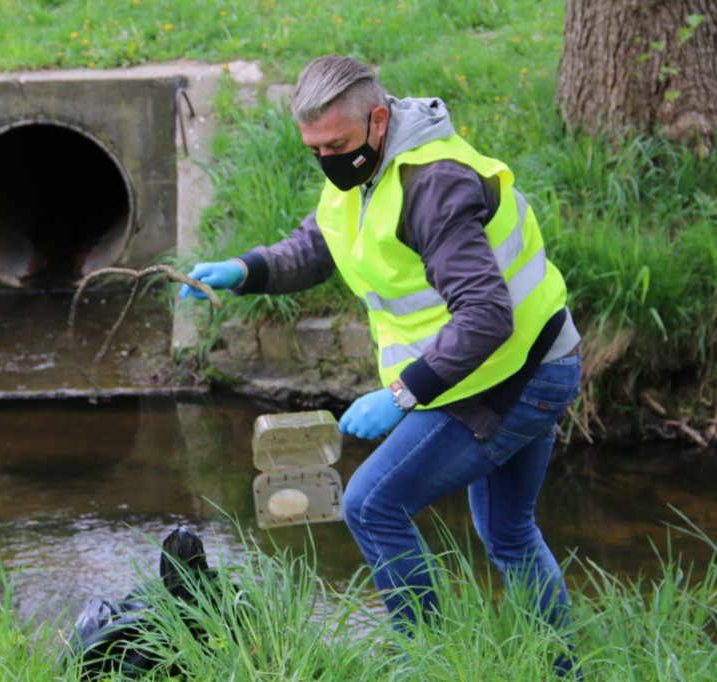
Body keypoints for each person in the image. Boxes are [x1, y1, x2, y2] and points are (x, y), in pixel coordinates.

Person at [179, 55, 582, 676]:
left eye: (336, 145)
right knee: (507, 532)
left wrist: (400, 394)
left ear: (377, 118)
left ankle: (427, 661)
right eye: (314, 149)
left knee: (370, 504)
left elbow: (486, 317)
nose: (326, 159)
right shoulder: (361, 174)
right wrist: (245, 271)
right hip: (511, 365)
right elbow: (316, 246)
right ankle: (565, 670)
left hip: (516, 373)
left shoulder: (434, 185)